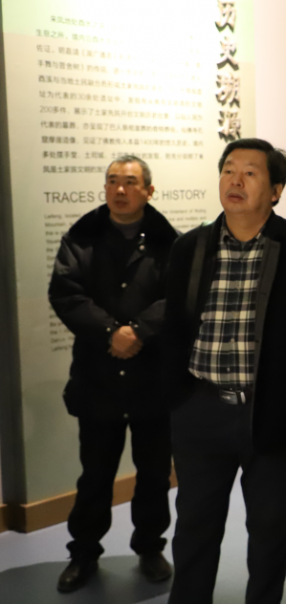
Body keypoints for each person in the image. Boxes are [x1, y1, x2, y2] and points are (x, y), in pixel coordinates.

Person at [162, 138, 286, 604]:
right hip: (200, 407)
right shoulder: (190, 246)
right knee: (194, 525)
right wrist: (177, 398)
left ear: (276, 190)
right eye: (229, 170)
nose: (235, 180)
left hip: (268, 412)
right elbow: (174, 325)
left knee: (269, 529)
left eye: (250, 172)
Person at [49, 155, 177, 592]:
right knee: (95, 474)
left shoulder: (169, 242)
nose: (119, 190)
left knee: (154, 473)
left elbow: (179, 297)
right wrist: (110, 333)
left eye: (130, 182)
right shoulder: (81, 237)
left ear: (149, 190)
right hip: (97, 378)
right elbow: (65, 293)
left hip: (151, 380)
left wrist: (139, 331)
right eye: (112, 181)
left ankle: (150, 546)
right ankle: (84, 552)